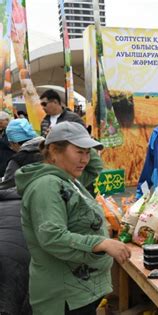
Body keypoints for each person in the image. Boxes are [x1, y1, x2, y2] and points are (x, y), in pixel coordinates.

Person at [16, 122, 131, 315]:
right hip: (64, 297)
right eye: (79, 152)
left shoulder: (68, 179)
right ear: (54, 151)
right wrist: (100, 243)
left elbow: (95, 168)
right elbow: (52, 237)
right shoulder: (47, 185)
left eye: (88, 152)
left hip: (78, 291)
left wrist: (80, 135)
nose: (85, 159)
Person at [0, 118, 42, 189]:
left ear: (15, 143)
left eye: (11, 144)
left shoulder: (17, 160)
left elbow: (7, 185)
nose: (11, 148)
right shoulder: (49, 150)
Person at [0, 111, 15, 177]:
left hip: (9, 160)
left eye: (0, 122)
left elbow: (8, 144)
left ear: (7, 120)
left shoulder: (11, 130)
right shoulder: (3, 131)